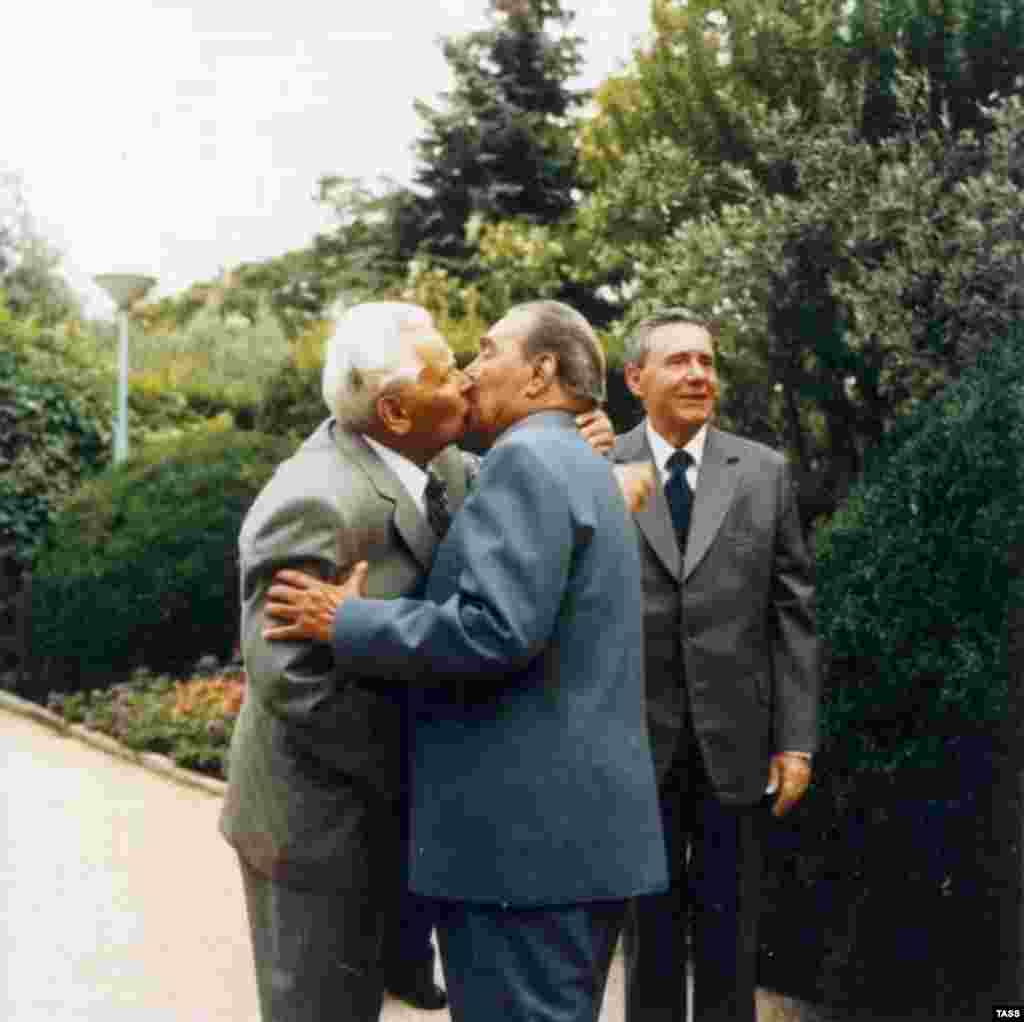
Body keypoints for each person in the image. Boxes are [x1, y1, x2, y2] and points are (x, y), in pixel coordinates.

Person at [263, 300, 669, 1022]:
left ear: (542, 373)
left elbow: (492, 630)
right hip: (573, 841)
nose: (470, 371)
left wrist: (346, 618)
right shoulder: (572, 457)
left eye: (486, 352)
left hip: (520, 846)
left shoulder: (528, 460)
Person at [611, 309, 821, 1022]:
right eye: (678, 362)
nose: (699, 374)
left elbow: (793, 611)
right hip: (631, 744)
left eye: (706, 360)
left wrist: (796, 738)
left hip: (738, 742)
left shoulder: (764, 472)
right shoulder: (594, 466)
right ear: (636, 378)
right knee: (649, 935)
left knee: (733, 937)